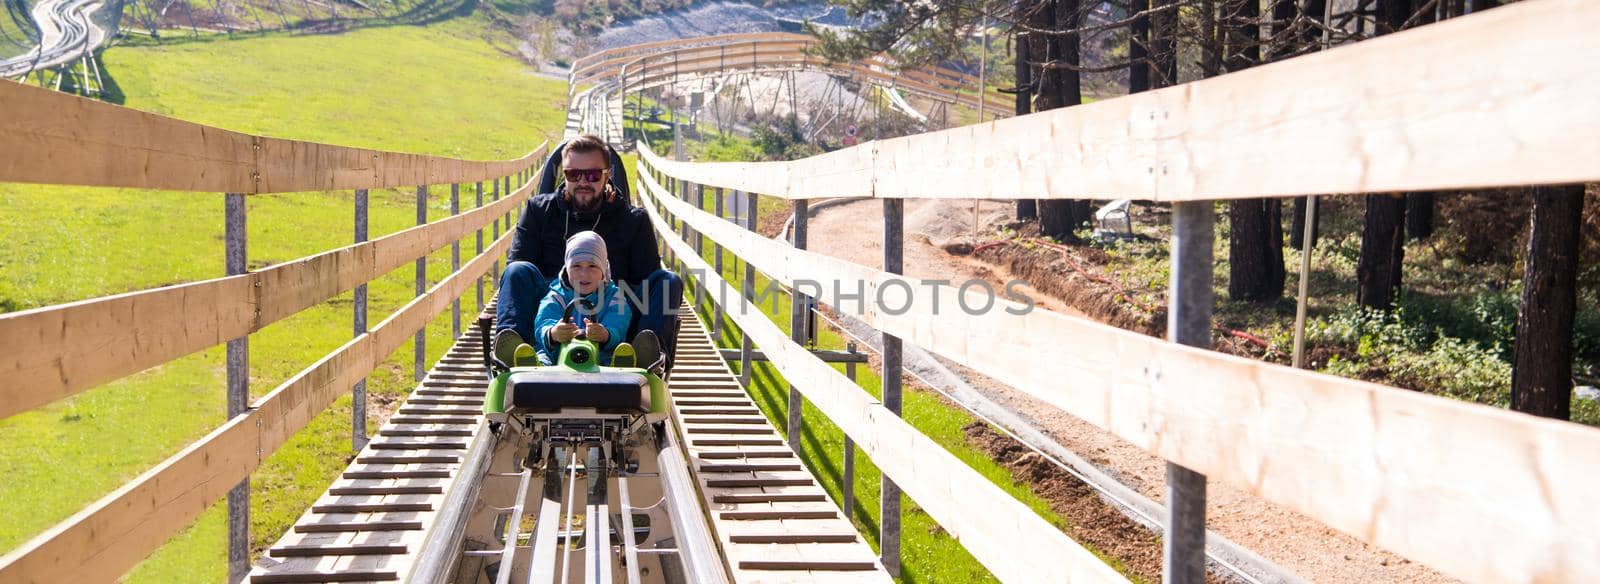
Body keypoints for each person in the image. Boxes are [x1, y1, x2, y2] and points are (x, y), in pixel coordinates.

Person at [494, 134, 682, 366]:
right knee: (516, 270)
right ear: (564, 175)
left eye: (592, 175)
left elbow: (646, 281)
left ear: (607, 175)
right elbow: (518, 273)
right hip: (553, 300)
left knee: (667, 281)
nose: (583, 182)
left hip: (614, 302)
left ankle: (646, 357)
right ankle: (514, 353)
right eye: (573, 174)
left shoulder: (633, 220)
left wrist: (611, 303)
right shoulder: (539, 210)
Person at [532, 232, 632, 365]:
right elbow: (544, 319)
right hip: (558, 357)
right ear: (567, 269)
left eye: (592, 266)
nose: (584, 274)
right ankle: (535, 368)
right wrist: (553, 333)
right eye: (576, 266)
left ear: (603, 270)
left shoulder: (613, 297)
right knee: (544, 357)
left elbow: (619, 322)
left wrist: (606, 334)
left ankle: (622, 367)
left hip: (600, 357)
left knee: (612, 356)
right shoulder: (556, 295)